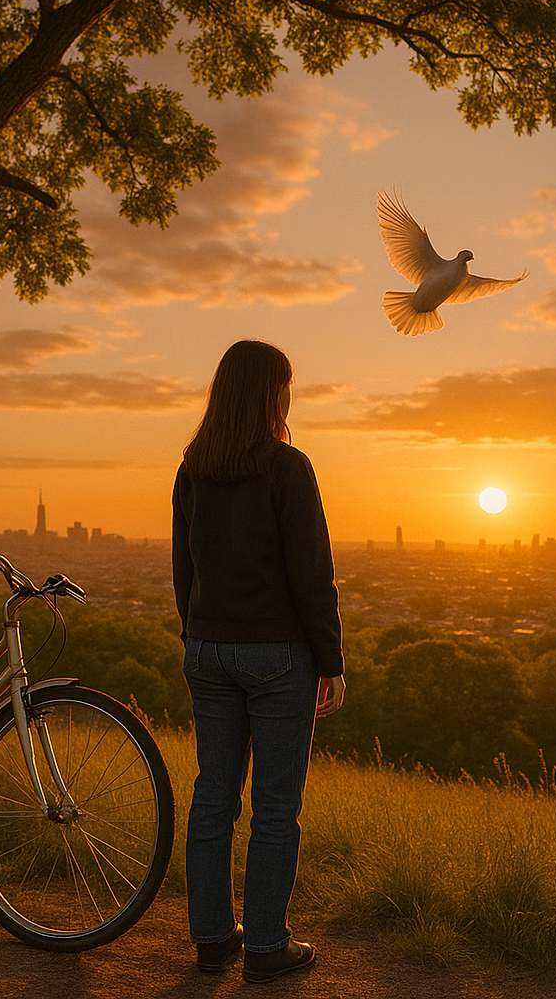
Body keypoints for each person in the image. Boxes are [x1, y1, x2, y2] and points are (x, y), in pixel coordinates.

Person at [172, 339, 346, 984]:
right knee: (276, 805)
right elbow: (312, 574)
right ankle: (267, 947)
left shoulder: (194, 466)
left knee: (213, 796)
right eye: (285, 385)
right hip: (278, 654)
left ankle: (213, 940)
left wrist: (197, 637)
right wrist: (330, 659)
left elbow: (182, 569)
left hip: (208, 648)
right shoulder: (287, 467)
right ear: (272, 393)